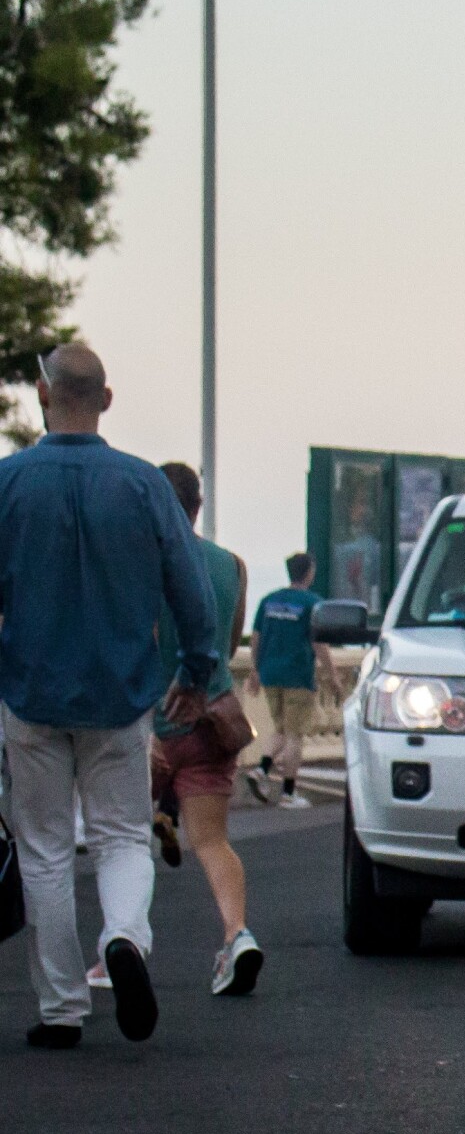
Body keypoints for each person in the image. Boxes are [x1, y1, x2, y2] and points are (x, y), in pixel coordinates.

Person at [0, 343, 220, 1047]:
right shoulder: (144, 485)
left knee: (43, 849)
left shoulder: (7, 483)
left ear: (41, 393)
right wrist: (197, 669)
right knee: (123, 836)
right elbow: (189, 586)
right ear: (108, 400)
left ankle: (62, 1008)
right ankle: (124, 938)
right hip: (122, 696)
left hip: (30, 694)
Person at [148, 462, 262, 997]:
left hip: (153, 721)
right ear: (198, 506)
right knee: (214, 843)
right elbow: (231, 642)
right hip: (213, 720)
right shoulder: (232, 566)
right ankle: (237, 936)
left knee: (118, 843)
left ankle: (115, 951)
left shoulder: (143, 563)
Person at [246, 552, 328, 807]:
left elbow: (256, 637)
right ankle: (288, 793)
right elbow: (318, 642)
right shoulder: (313, 603)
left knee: (281, 729)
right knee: (294, 735)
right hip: (298, 675)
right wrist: (332, 674)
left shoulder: (269, 601)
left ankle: (262, 769)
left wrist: (255, 670)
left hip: (270, 673)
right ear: (309, 572)